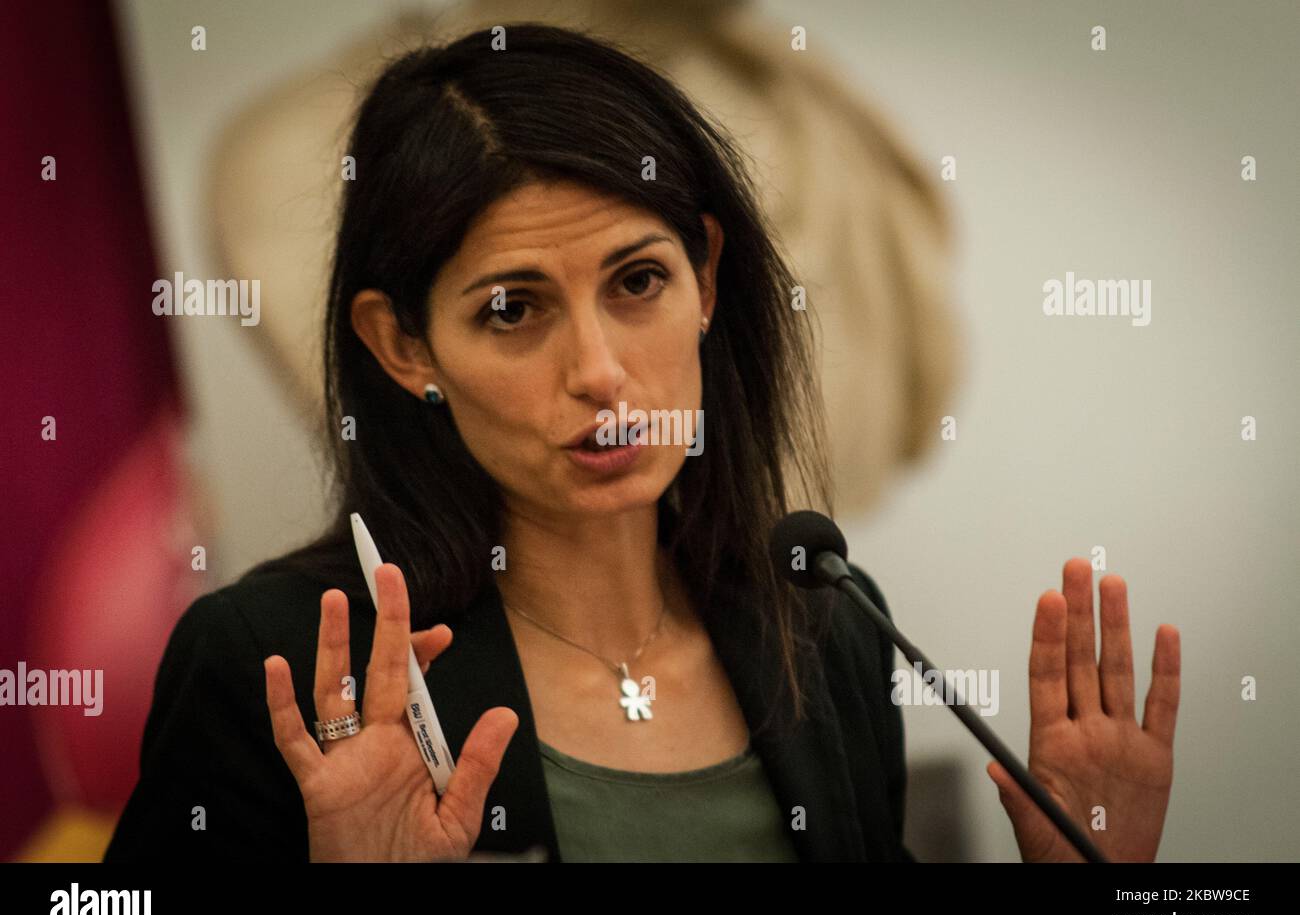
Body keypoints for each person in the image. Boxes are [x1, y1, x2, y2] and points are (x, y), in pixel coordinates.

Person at [104, 23, 1179, 863]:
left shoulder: (827, 627)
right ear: (401, 345)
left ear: (705, 277)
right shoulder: (278, 664)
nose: (601, 371)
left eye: (638, 281)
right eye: (512, 309)